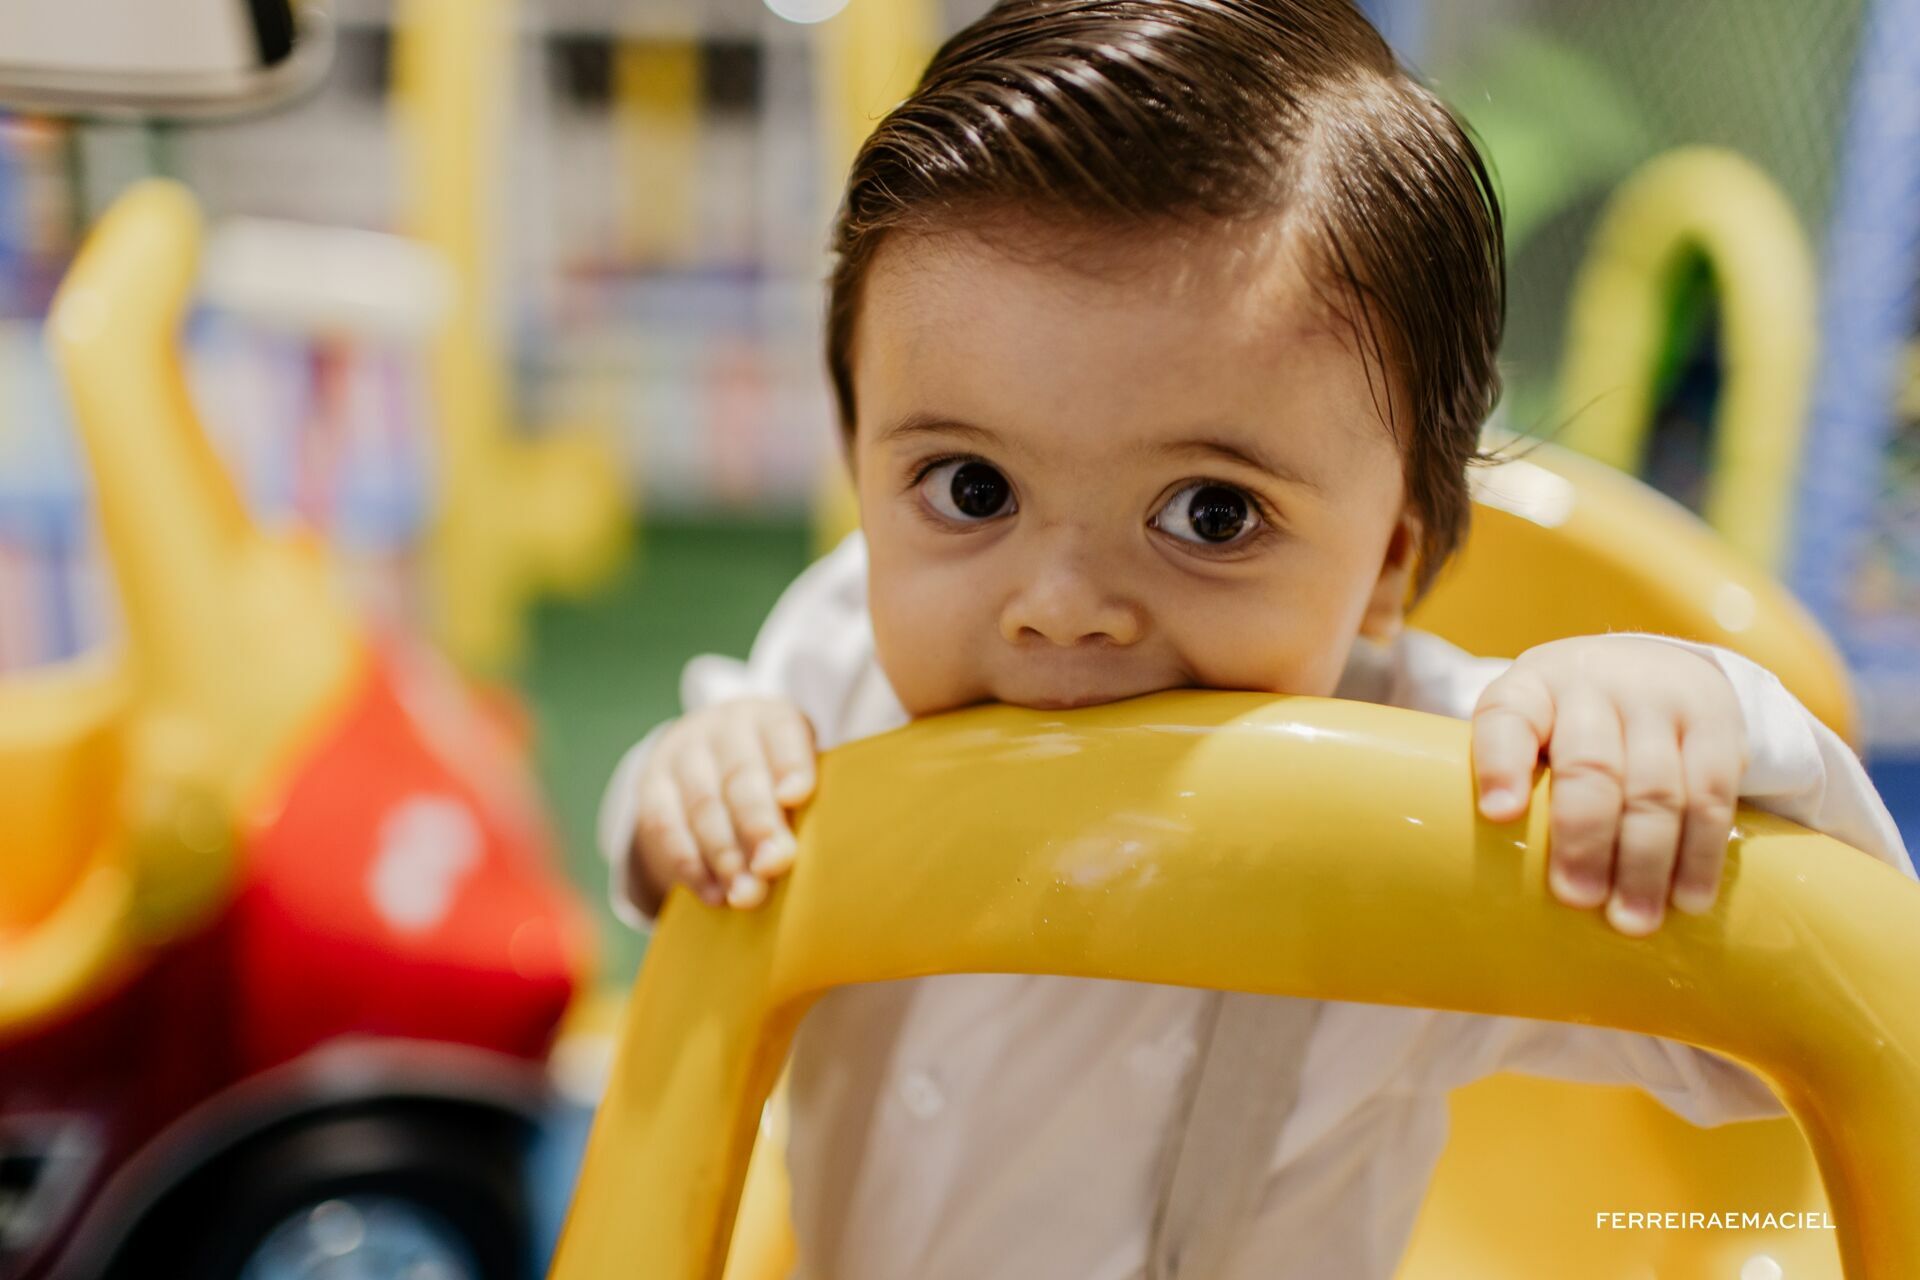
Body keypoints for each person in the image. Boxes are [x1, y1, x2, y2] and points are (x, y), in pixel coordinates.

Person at [598, 1, 1917, 1275]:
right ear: (860, 463)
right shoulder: (840, 656)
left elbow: (1808, 1018)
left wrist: (1689, 737)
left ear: (1390, 563)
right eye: (971, 489)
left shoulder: (1458, 790)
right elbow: (669, 844)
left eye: (1209, 514)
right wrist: (690, 780)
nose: (1060, 603)